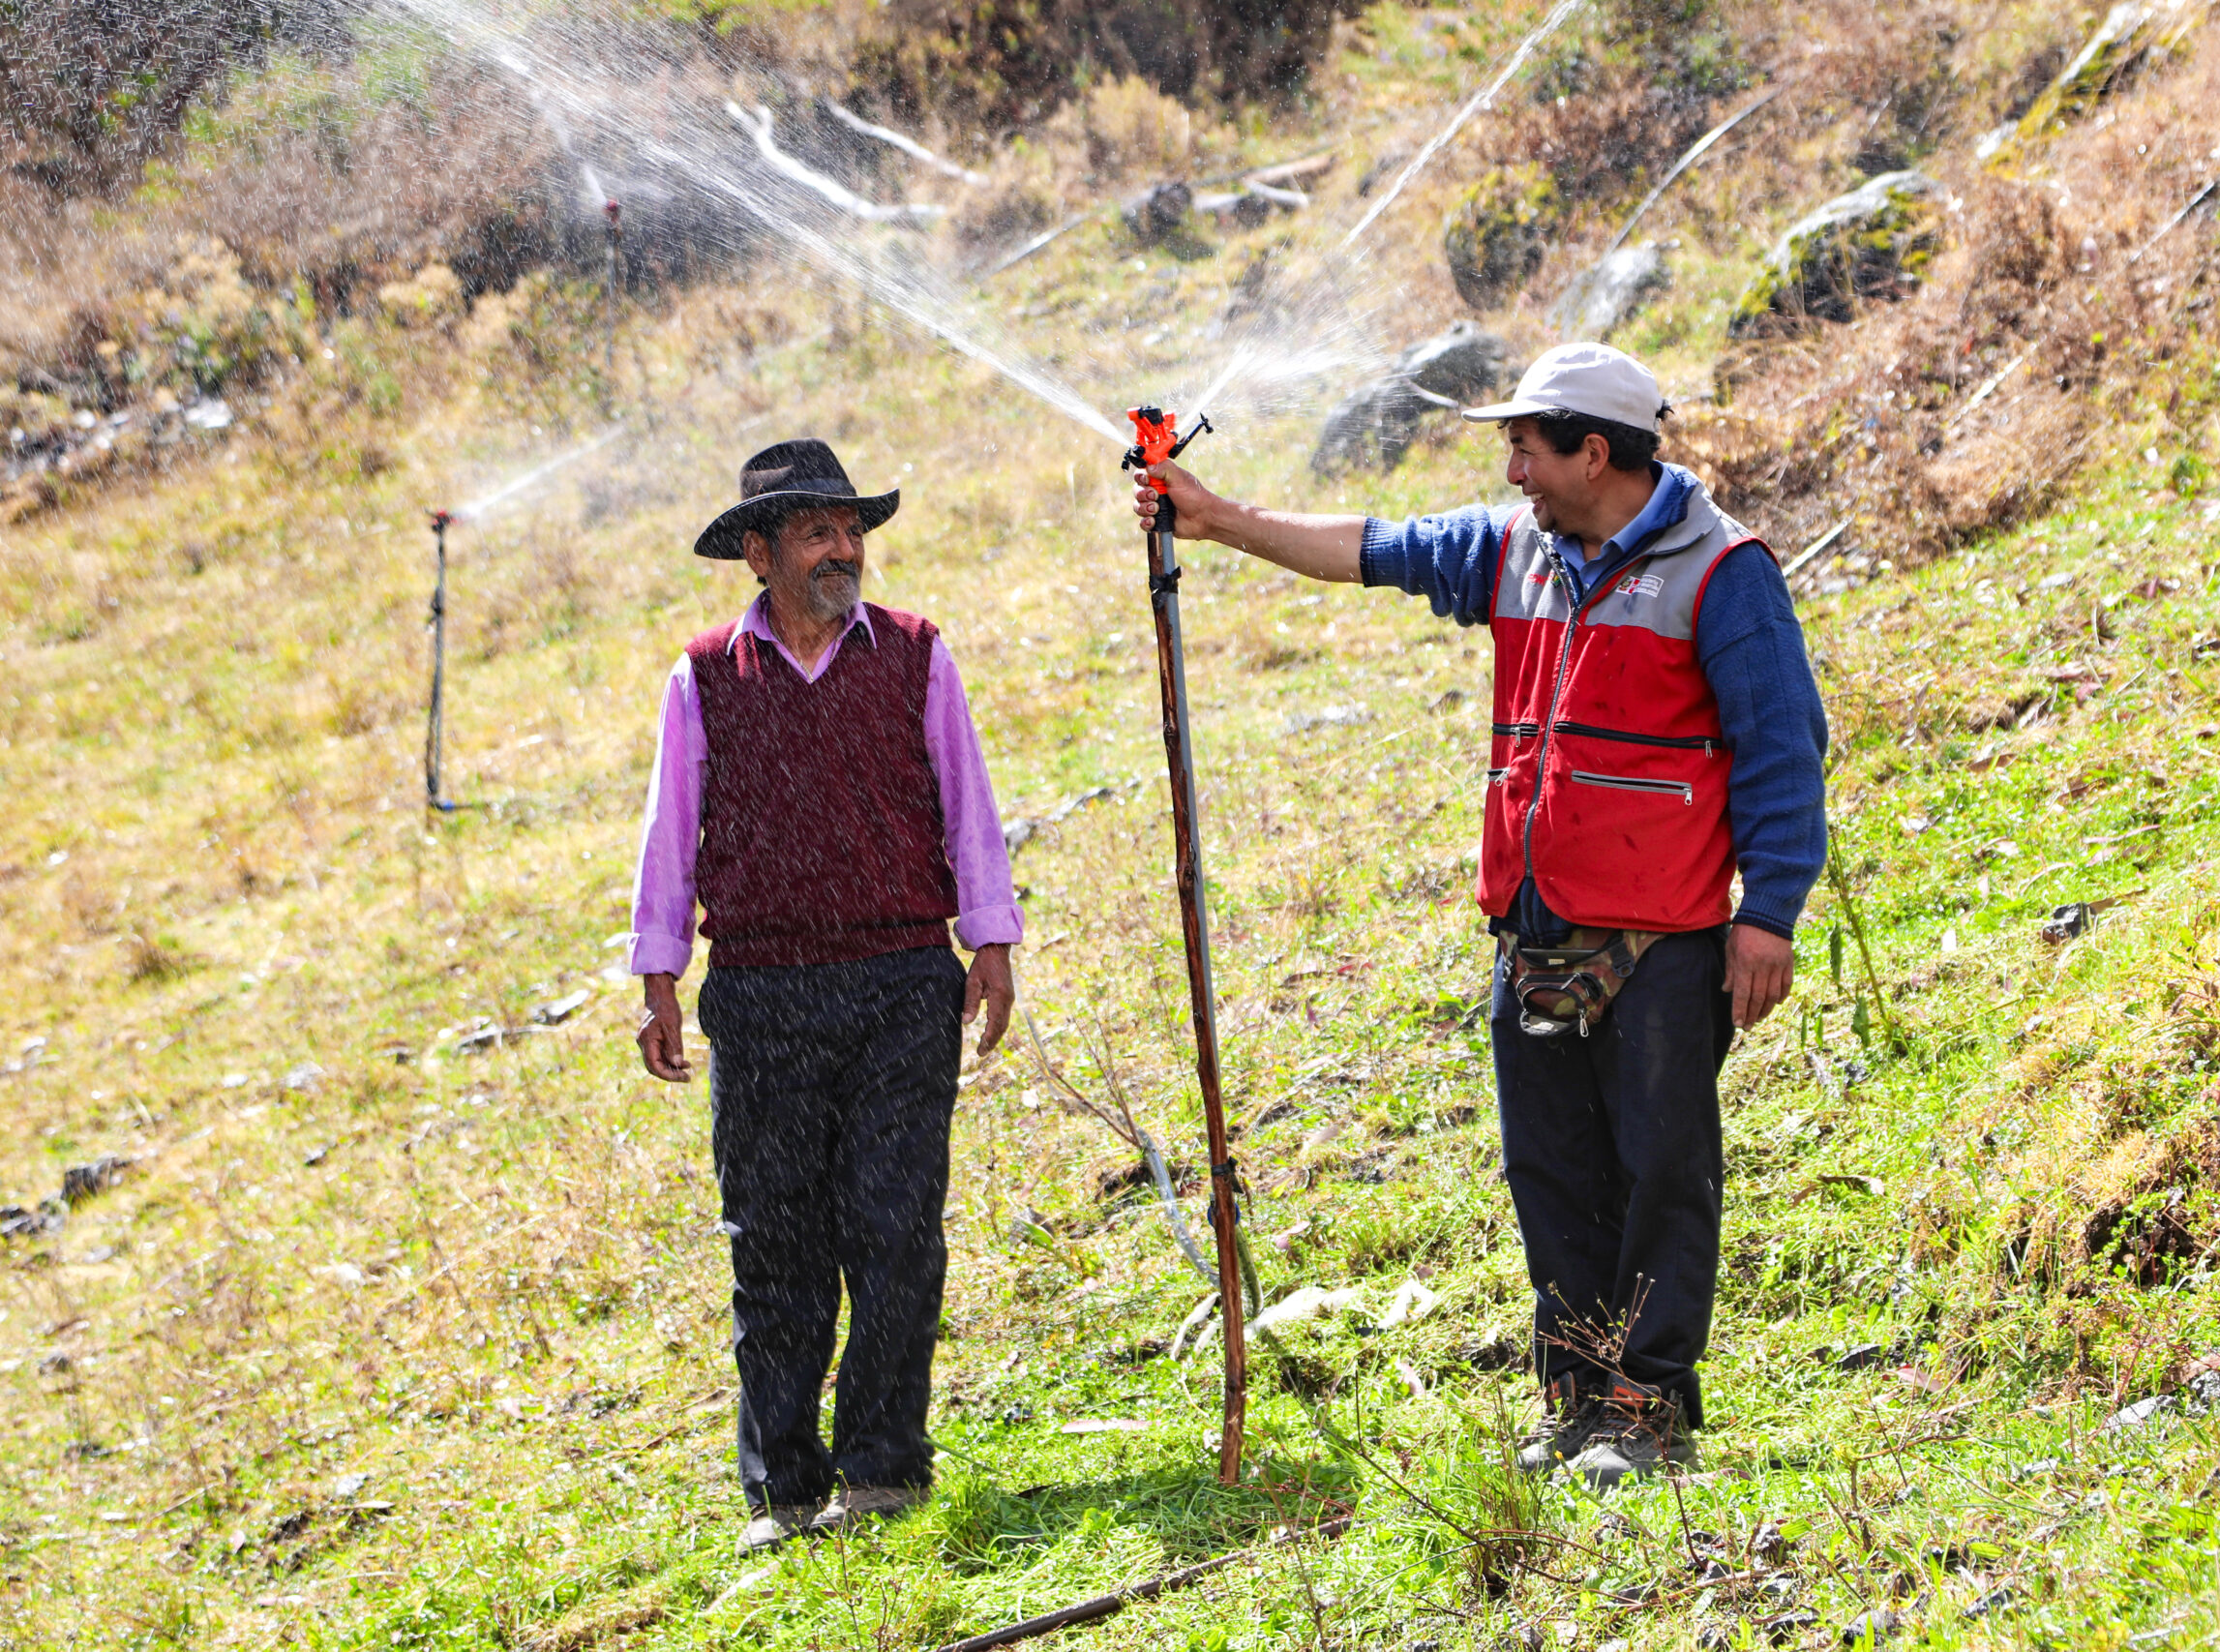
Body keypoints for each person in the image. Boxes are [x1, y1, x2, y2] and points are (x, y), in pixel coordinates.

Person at [1132, 344, 1827, 1483]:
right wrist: (1215, 519)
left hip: (1665, 940)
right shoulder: (1518, 551)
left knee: (1662, 1173)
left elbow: (1783, 748)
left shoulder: (1722, 570)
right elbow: (1369, 550)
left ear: (1592, 451)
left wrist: (1773, 915)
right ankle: (1576, 1402)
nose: (1509, 468)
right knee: (1549, 1172)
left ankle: (1648, 1414)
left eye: (1524, 444)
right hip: (1537, 927)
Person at [627, 438, 1022, 1551]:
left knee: (896, 1231)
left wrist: (988, 941)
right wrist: (659, 974)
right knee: (775, 1246)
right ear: (757, 555)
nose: (843, 548)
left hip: (902, 984)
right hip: (758, 997)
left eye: (851, 528)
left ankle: (886, 1470)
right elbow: (670, 833)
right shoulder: (704, 676)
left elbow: (966, 802)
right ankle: (787, 1493)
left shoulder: (913, 654)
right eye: (815, 531)